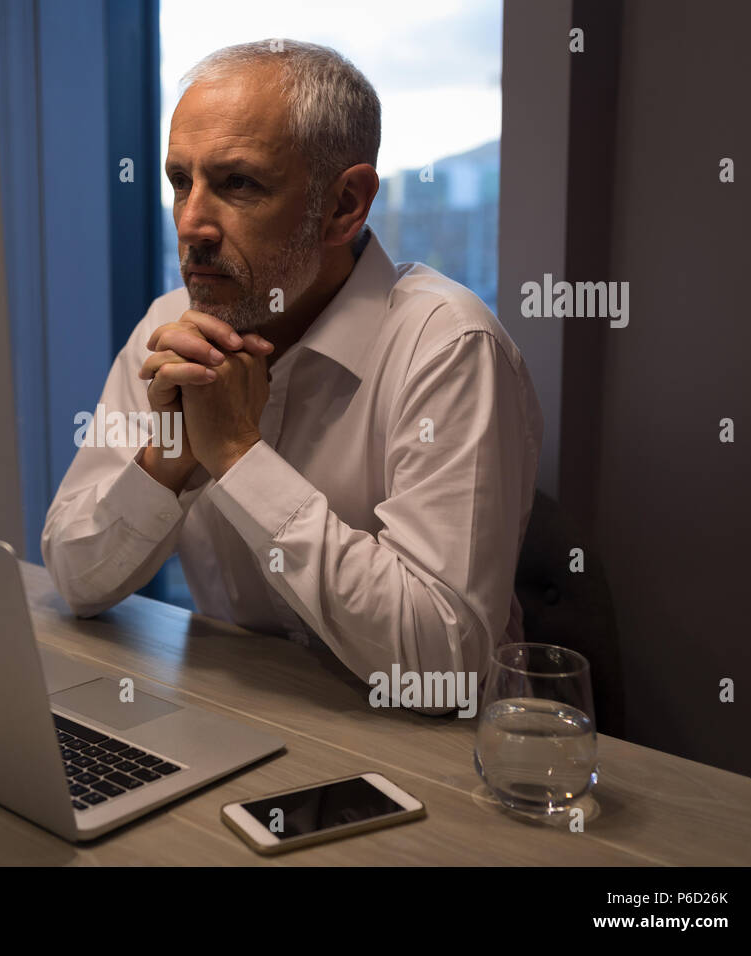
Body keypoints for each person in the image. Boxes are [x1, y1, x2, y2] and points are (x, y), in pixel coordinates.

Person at [41, 40, 543, 699]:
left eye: (237, 184)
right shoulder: (170, 329)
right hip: (247, 720)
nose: (190, 224)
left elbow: (443, 667)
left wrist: (237, 457)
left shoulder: (450, 346)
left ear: (345, 205)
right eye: (179, 181)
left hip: (439, 759)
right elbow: (76, 580)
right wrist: (173, 459)